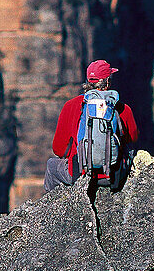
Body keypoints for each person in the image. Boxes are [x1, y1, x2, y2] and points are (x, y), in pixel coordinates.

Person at [44, 59, 140, 191]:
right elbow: (133, 138)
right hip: (113, 175)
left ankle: (52, 208)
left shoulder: (71, 106)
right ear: (107, 82)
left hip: (80, 174)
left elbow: (58, 149)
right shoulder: (123, 109)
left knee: (51, 165)